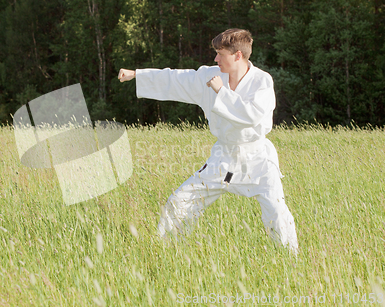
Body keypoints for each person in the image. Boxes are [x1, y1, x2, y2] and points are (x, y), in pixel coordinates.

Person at [118, 28, 299, 255]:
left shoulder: (261, 81)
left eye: (220, 54)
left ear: (238, 56)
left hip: (257, 159)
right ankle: (167, 252)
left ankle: (289, 258)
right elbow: (176, 79)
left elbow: (251, 115)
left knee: (276, 210)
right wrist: (138, 74)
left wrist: (221, 91)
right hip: (223, 157)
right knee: (179, 202)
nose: (215, 59)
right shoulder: (210, 77)